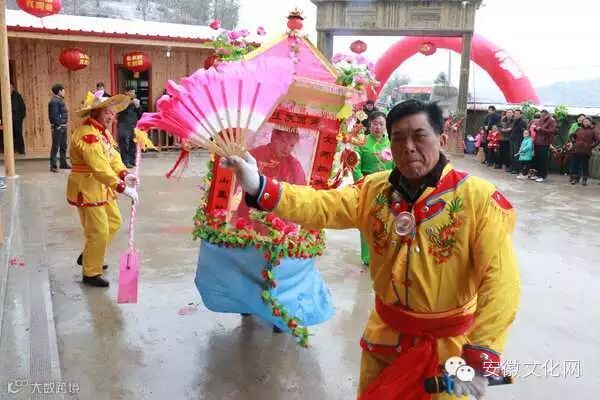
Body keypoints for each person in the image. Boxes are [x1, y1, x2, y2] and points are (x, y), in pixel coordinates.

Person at [225, 100, 520, 400]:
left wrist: (481, 355)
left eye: (419, 136)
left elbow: (501, 281)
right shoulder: (373, 190)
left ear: (442, 139)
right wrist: (260, 186)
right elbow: (322, 205)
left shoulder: (478, 199)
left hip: (448, 355)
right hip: (385, 344)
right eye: (398, 138)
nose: (408, 147)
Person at [67, 91, 139, 287]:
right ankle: (90, 272)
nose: (111, 117)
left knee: (114, 222)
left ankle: (90, 254)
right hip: (88, 187)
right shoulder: (88, 135)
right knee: (98, 230)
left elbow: (113, 158)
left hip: (102, 186)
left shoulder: (103, 133)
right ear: (96, 112)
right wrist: (121, 187)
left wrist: (124, 174)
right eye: (107, 112)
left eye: (113, 113)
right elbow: (99, 166)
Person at [352, 111, 394, 266]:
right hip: (367, 186)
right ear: (369, 125)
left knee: (386, 221)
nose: (378, 127)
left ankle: (384, 255)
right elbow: (354, 164)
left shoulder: (391, 143)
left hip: (387, 187)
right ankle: (368, 256)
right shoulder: (361, 141)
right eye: (375, 124)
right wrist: (361, 182)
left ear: (386, 126)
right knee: (367, 221)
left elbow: (397, 166)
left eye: (381, 124)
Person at [117, 86, 143, 168]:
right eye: (131, 92)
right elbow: (119, 110)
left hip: (133, 124)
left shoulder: (135, 101)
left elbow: (140, 114)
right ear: (126, 92)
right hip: (123, 124)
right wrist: (130, 103)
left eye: (134, 92)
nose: (133, 94)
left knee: (133, 143)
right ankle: (125, 161)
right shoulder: (122, 100)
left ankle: (132, 160)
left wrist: (138, 107)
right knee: (124, 143)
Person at [570, 116, 599, 186]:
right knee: (575, 165)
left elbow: (598, 140)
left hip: (586, 151)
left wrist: (591, 146)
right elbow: (572, 135)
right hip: (576, 150)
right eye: (584, 121)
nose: (585, 122)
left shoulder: (593, 131)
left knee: (585, 166)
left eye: (587, 121)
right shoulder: (578, 129)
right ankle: (575, 179)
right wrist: (573, 142)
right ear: (582, 122)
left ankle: (584, 180)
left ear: (590, 122)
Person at [48, 83, 70, 172]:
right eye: (63, 90)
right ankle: (53, 166)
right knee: (55, 146)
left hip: (63, 126)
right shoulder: (54, 102)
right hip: (58, 127)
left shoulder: (59, 100)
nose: (64, 92)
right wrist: (58, 126)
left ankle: (63, 163)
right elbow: (54, 116)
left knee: (63, 146)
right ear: (59, 91)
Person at [531, 110, 557, 183]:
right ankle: (537, 174)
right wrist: (535, 128)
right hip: (537, 141)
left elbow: (552, 131)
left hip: (545, 142)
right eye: (541, 115)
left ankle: (542, 175)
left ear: (547, 114)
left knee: (543, 159)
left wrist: (541, 129)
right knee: (537, 159)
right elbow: (537, 129)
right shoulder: (540, 120)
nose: (542, 116)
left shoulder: (551, 121)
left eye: (543, 115)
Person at [509, 109, 528, 174]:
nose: (516, 115)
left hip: (518, 140)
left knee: (517, 154)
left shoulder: (523, 122)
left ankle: (517, 169)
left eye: (517, 114)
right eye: (515, 114)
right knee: (512, 154)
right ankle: (513, 167)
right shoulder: (514, 121)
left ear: (521, 115)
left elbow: (523, 132)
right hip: (512, 140)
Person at [10, 83, 27, 155]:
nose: (9, 89)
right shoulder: (13, 95)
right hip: (16, 118)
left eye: (10, 87)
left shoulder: (16, 96)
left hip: (17, 118)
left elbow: (15, 108)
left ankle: (21, 150)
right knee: (16, 134)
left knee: (18, 134)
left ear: (13, 87)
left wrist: (20, 117)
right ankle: (17, 149)